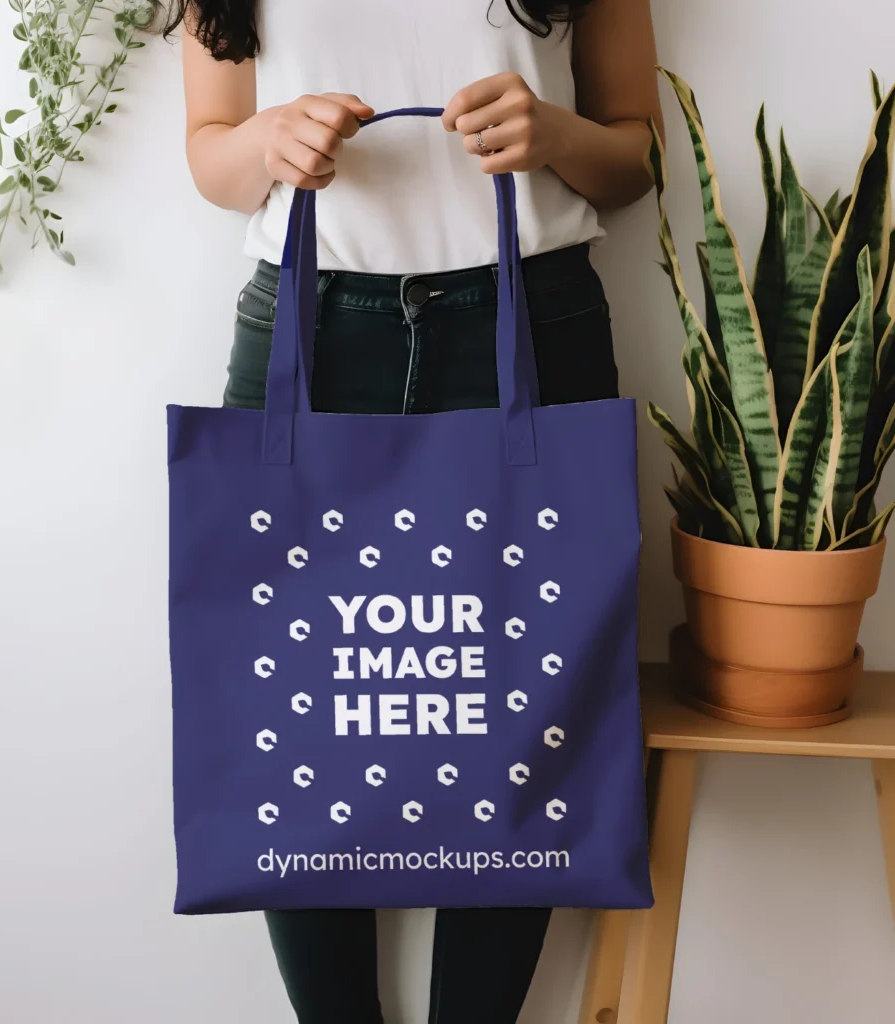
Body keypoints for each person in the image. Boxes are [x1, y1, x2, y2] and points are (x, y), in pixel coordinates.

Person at [167, 1, 662, 1020]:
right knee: (297, 702)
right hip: (312, 320)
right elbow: (210, 156)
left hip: (533, 309)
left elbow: (632, 151)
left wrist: (553, 133)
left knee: (524, 699)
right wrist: (268, 140)